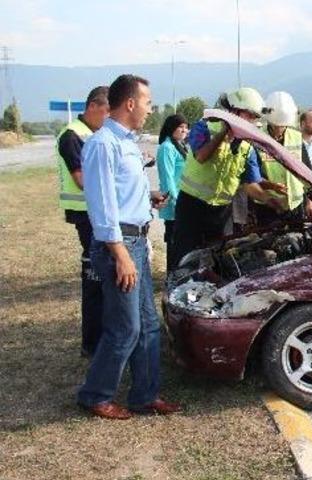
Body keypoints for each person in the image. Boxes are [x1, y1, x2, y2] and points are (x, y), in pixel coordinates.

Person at [77, 74, 180, 420]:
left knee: (149, 325)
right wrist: (121, 256)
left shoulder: (126, 142)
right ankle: (95, 395)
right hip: (118, 245)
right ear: (131, 103)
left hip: (135, 239)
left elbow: (120, 194)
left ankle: (145, 395)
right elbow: (103, 206)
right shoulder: (104, 144)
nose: (152, 109)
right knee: (125, 328)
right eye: (148, 102)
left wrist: (147, 199)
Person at [168, 87, 282, 270]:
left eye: (255, 118)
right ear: (236, 111)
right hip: (192, 206)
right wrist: (223, 134)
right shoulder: (204, 127)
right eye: (250, 115)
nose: (253, 121)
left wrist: (268, 199)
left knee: (218, 260)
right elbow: (201, 157)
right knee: (185, 258)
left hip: (221, 213)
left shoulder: (247, 146)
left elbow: (250, 184)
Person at [56, 85, 110, 358]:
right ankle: (92, 343)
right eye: (107, 111)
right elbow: (81, 180)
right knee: (94, 281)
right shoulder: (73, 136)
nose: (109, 117)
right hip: (87, 216)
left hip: (96, 215)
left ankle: (101, 337)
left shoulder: (92, 133)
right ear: (93, 107)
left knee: (101, 281)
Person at [254, 91, 312, 226]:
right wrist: (272, 187)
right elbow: (252, 176)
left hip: (296, 205)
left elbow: (308, 173)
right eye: (276, 125)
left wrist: (309, 201)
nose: (279, 129)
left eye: (282, 125)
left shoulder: (296, 137)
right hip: (268, 206)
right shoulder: (256, 139)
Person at [155, 113, 188, 263]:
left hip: (182, 201)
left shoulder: (180, 146)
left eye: (186, 127)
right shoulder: (166, 147)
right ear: (171, 128)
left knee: (182, 243)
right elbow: (167, 178)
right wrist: (177, 202)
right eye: (180, 127)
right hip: (174, 203)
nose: (184, 130)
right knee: (174, 243)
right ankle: (172, 277)